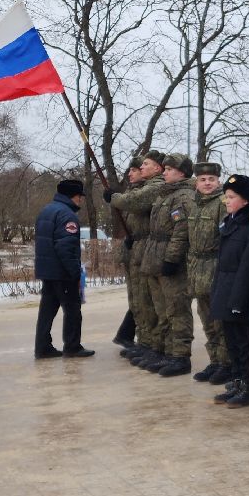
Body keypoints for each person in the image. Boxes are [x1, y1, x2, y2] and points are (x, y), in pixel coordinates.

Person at [212, 173, 249, 406]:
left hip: (242, 292)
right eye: (226, 196)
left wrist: (239, 297)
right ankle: (238, 380)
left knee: (247, 343)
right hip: (226, 288)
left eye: (231, 197)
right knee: (232, 341)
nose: (227, 200)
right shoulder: (231, 220)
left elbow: (248, 264)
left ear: (245, 200)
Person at [139, 153, 195, 377]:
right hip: (156, 258)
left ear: (181, 172)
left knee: (177, 309)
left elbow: (181, 232)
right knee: (163, 310)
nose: (165, 172)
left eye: (170, 169)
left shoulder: (183, 196)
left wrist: (172, 259)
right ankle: (165, 350)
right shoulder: (166, 194)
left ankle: (180, 355)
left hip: (171, 262)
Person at [108, 150, 164, 364]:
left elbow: (136, 203)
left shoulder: (152, 189)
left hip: (147, 249)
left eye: (139, 168)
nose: (134, 173)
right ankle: (144, 342)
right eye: (131, 169)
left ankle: (151, 344)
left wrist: (115, 198)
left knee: (148, 302)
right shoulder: (136, 191)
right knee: (138, 301)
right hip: (137, 248)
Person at [33, 179, 94, 360]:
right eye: (80, 197)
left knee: (47, 311)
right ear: (73, 196)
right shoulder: (67, 216)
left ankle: (42, 347)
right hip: (62, 272)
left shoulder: (47, 210)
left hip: (48, 270)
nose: (81, 201)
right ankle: (73, 346)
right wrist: (75, 272)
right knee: (73, 309)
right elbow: (64, 247)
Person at [187, 163, 231, 384]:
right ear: (196, 183)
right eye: (203, 179)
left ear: (218, 182)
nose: (207, 183)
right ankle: (214, 361)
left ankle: (226, 364)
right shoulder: (194, 205)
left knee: (220, 322)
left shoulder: (223, 204)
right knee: (206, 320)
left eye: (211, 179)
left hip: (215, 267)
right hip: (197, 269)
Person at [110, 157, 143, 349]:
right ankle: (127, 334)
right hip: (132, 250)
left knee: (142, 299)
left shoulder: (142, 192)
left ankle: (128, 334)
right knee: (136, 297)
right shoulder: (131, 191)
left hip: (141, 251)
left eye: (134, 170)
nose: (129, 174)